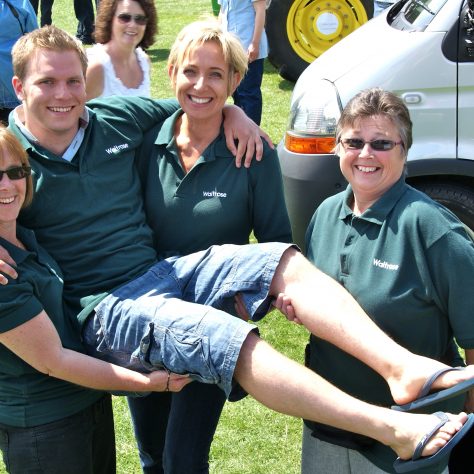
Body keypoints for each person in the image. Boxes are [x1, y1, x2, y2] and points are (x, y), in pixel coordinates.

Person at [4, 25, 474, 474]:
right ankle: (394, 428)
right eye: (47, 82)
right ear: (19, 86)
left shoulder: (116, 119)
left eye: (72, 80)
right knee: (223, 337)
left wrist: (235, 112)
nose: (63, 95)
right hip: (105, 311)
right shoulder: (11, 156)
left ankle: (403, 368)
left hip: (164, 272)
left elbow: (196, 105)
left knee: (281, 259)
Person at [129, 20, 292, 473]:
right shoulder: (145, 141)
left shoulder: (253, 151)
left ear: (236, 81)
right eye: (190, 71)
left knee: (184, 458)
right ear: (172, 74)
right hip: (145, 321)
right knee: (152, 455)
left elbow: (279, 246)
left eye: (217, 74)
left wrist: (241, 308)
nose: (201, 85)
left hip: (207, 328)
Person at [300, 88, 474, 473]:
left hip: (413, 437)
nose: (365, 154)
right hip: (327, 425)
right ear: (337, 147)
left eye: (381, 143)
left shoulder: (433, 230)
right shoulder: (325, 214)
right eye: (354, 142)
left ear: (404, 150)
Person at [0, 125, 190, 474]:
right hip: (44, 425)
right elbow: (52, 360)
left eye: (16, 172)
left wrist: (232, 111)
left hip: (88, 399)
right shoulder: (3, 273)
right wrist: (148, 383)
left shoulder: (24, 234)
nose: (7, 185)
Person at [86, 0, 156, 100]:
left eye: (140, 19)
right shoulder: (96, 67)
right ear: (110, 19)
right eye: (124, 18)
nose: (132, 25)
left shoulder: (144, 62)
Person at [218, 0, 267, 125]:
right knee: (236, 92)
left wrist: (255, 44)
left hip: (247, 46)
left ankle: (253, 134)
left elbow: (260, 11)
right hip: (230, 47)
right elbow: (222, 12)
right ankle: (240, 130)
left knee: (248, 93)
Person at [0, 0, 37, 125]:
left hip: (14, 90)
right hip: (15, 90)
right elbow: (34, 38)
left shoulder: (19, 3)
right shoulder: (20, 3)